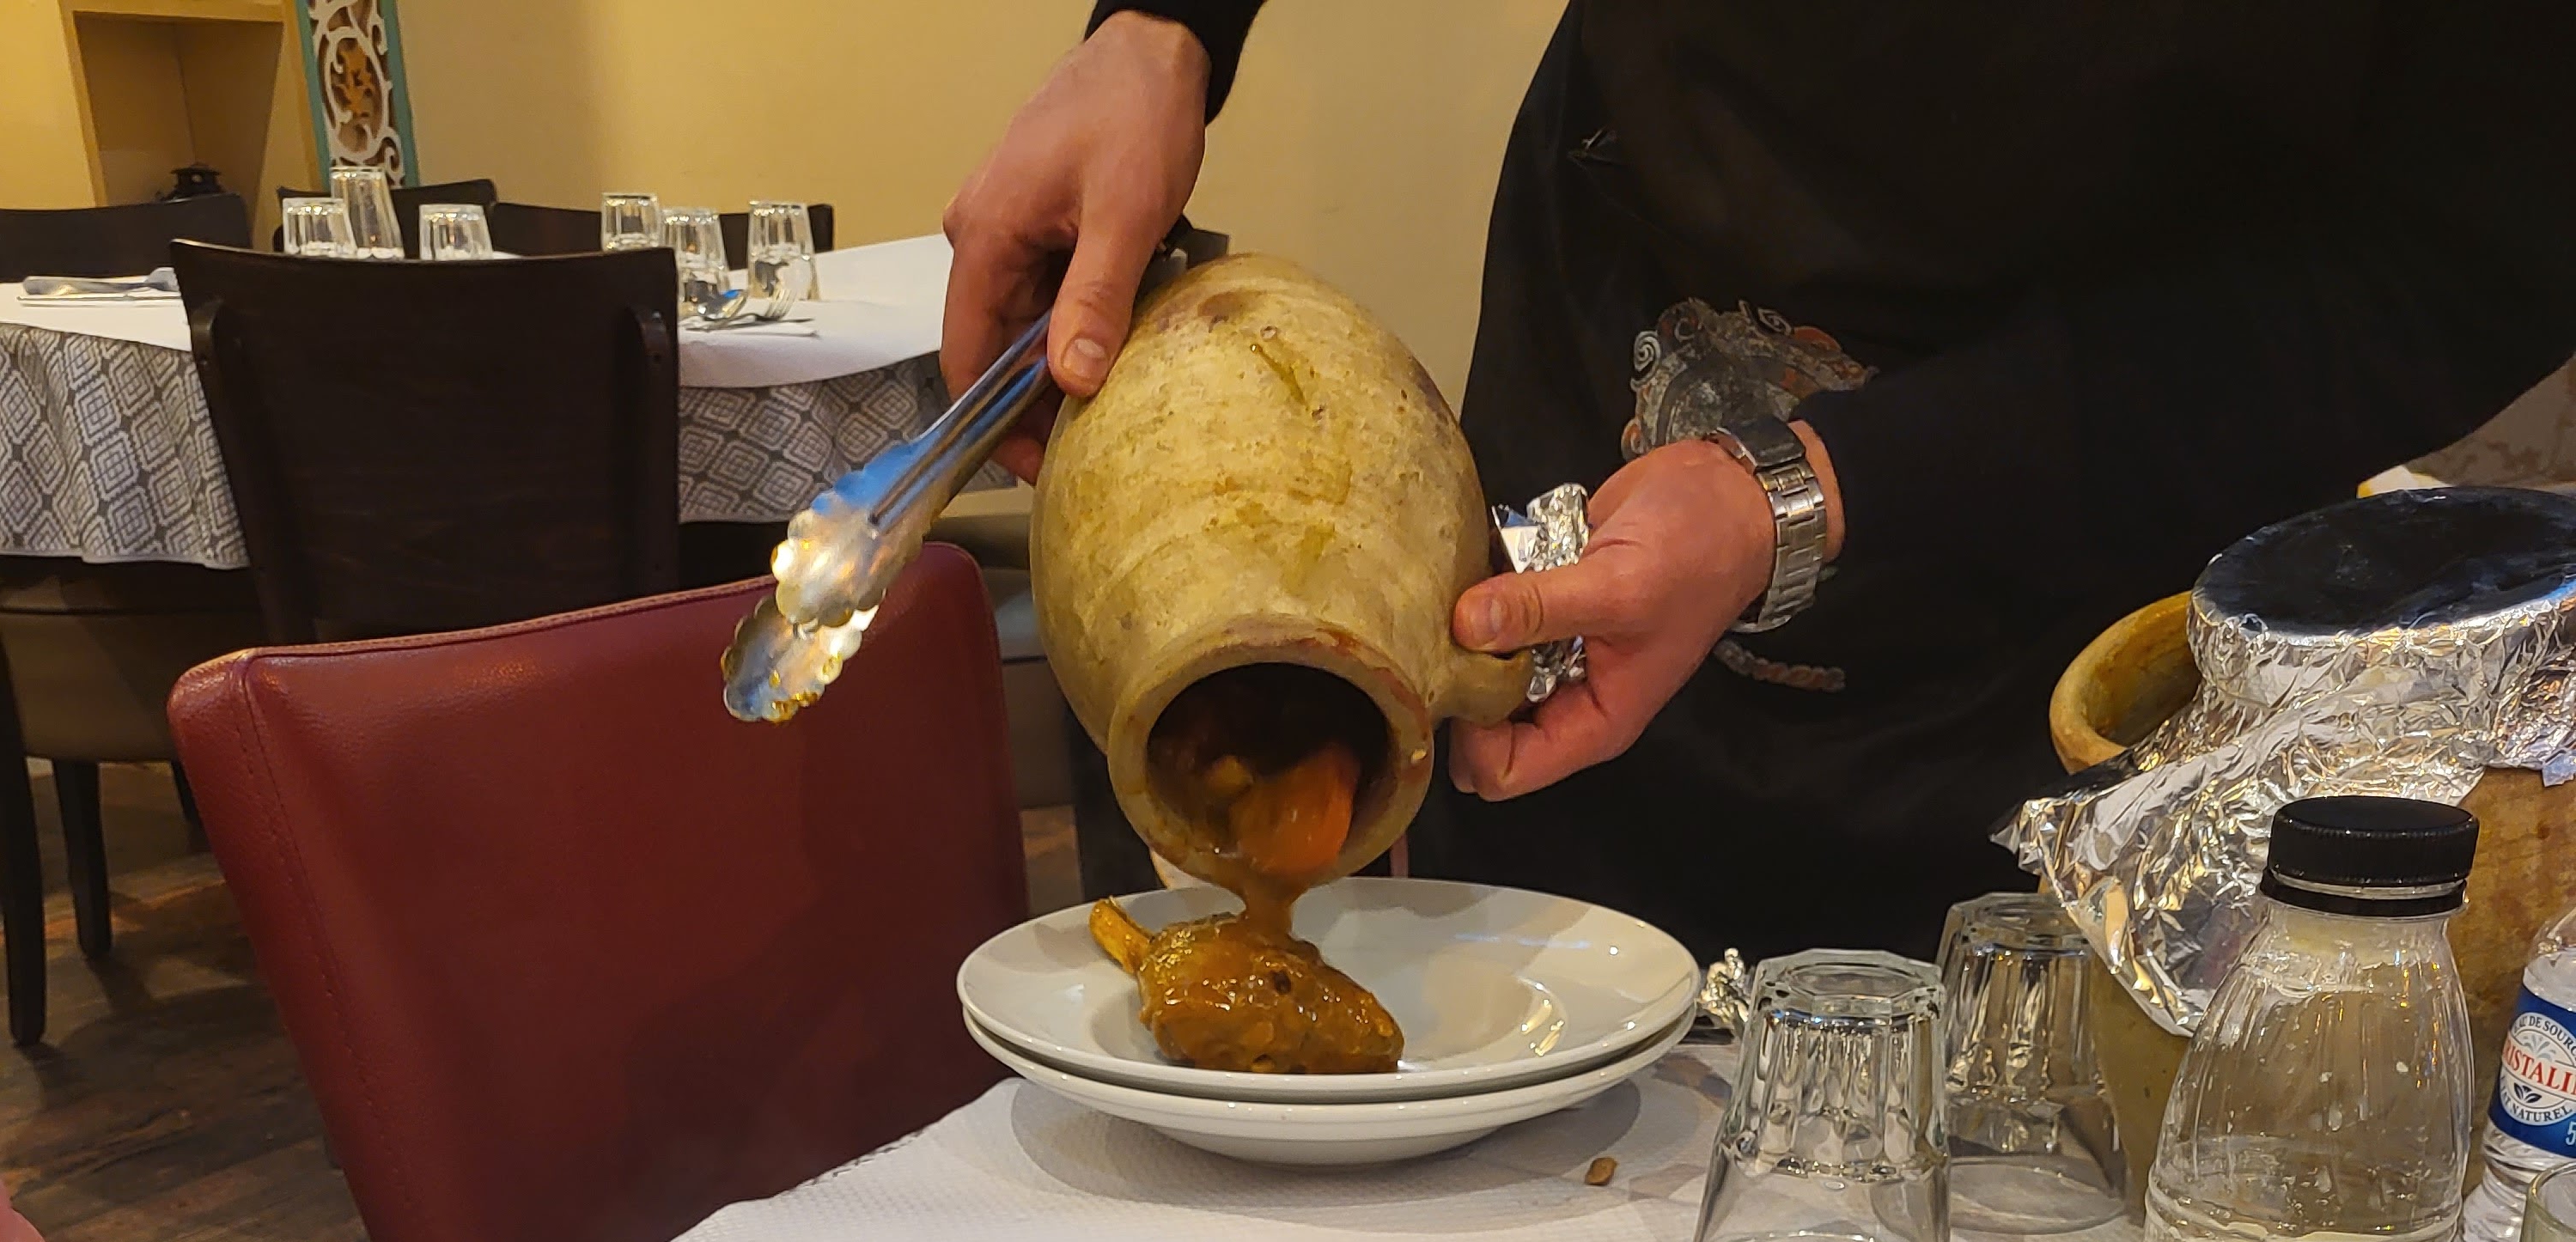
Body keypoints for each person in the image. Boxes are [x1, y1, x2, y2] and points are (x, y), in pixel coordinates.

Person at [945, 3, 2576, 960]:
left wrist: (1822, 493)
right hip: (1634, 272)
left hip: (2074, 516)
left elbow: (2464, 263)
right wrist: (1161, 30)